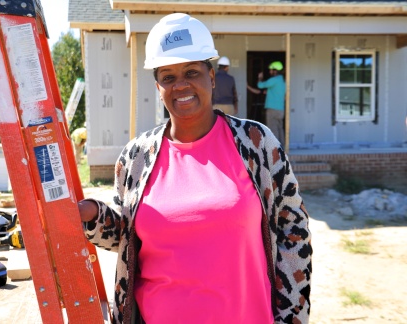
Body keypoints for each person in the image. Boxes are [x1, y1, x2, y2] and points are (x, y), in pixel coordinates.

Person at [78, 13, 312, 324]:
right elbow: (125, 238)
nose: (181, 85)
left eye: (191, 72)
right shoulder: (136, 158)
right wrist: (92, 215)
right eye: (168, 77)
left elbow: (293, 233)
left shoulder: (256, 144)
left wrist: (292, 317)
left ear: (211, 78)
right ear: (158, 86)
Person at [255, 61, 286, 146]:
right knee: (280, 129)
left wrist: (260, 78)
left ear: (275, 70)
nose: (270, 72)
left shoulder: (274, 80)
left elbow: (260, 85)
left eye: (271, 70)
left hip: (272, 109)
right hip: (281, 109)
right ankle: (282, 148)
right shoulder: (283, 81)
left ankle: (275, 149)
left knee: (273, 129)